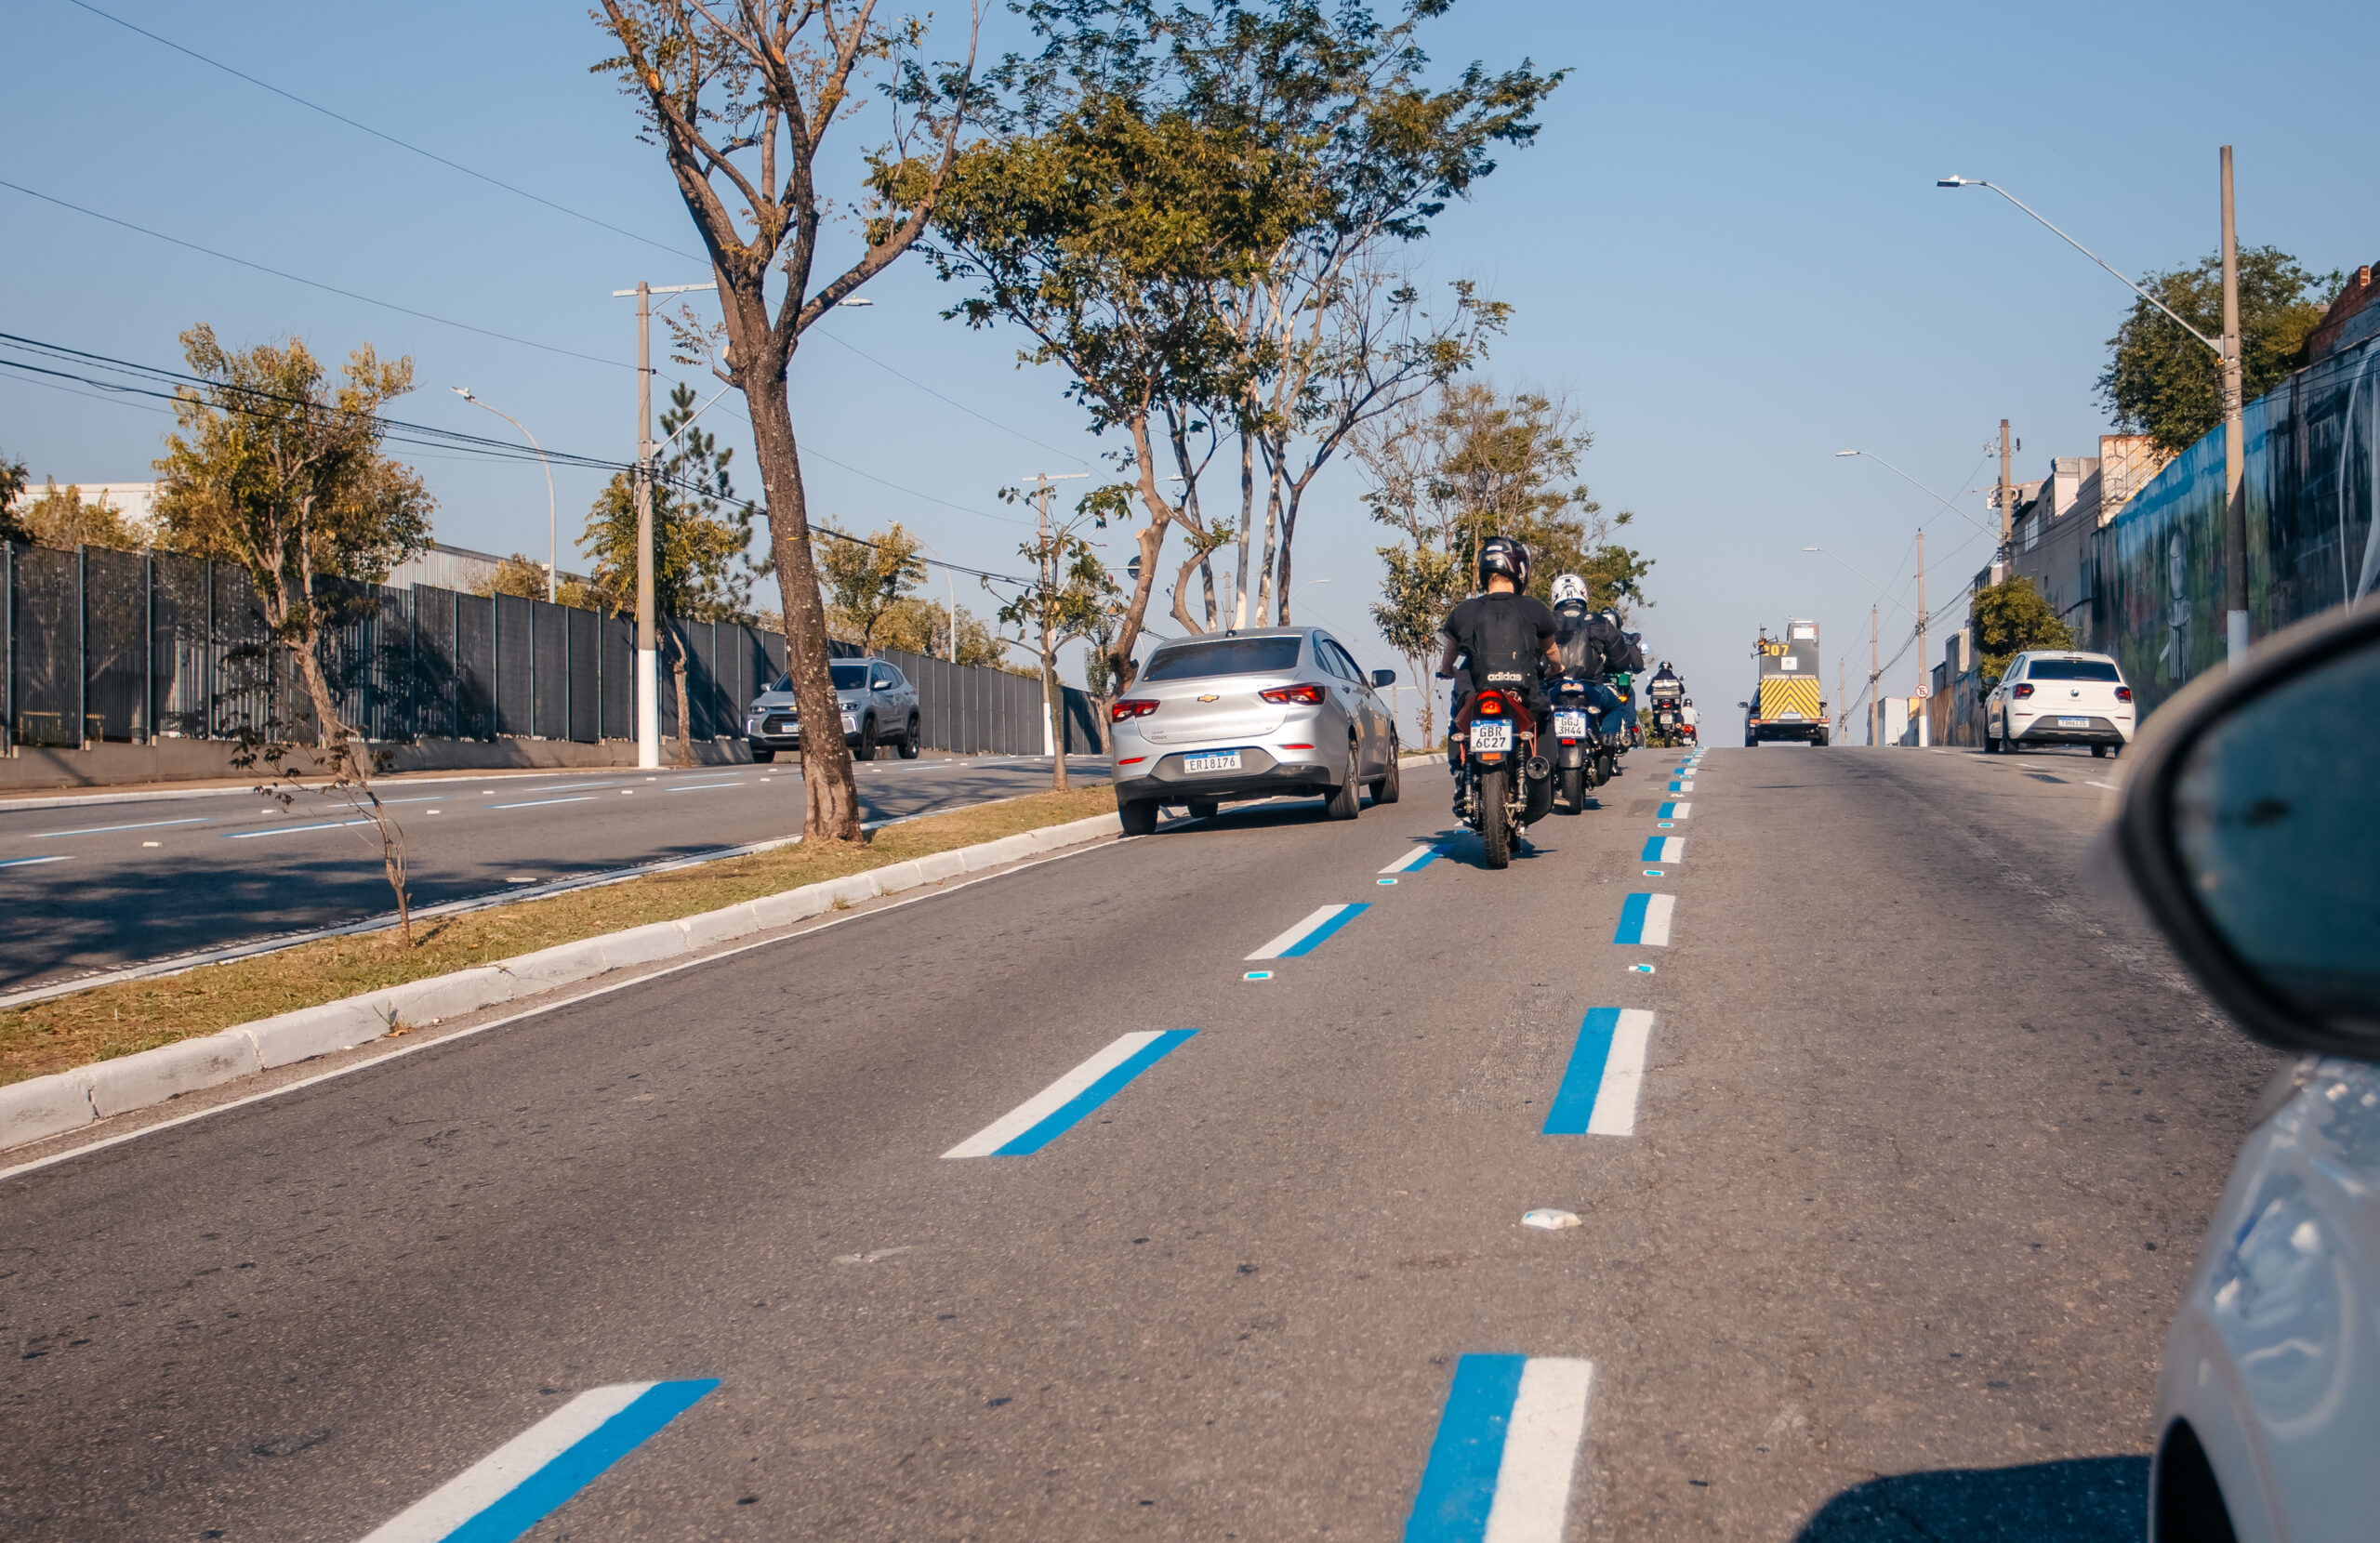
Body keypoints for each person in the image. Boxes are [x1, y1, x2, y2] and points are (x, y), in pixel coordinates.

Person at [1435, 535, 1560, 779]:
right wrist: (1557, 668)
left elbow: (1449, 655)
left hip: (1477, 692)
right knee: (1544, 718)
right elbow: (1552, 651)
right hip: (1523, 692)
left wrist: (1447, 669)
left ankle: (1461, 770)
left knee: (1458, 718)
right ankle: (1542, 770)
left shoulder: (1463, 611)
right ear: (1519, 570)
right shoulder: (1534, 608)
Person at [1544, 574, 1629, 731]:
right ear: (1583, 593)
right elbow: (1621, 660)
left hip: (1553, 687)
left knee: (1533, 712)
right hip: (1591, 688)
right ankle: (1607, 742)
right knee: (1615, 707)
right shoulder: (1598, 620)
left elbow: (1529, 655)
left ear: (1555, 595)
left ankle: (1530, 750)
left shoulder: (1545, 620)